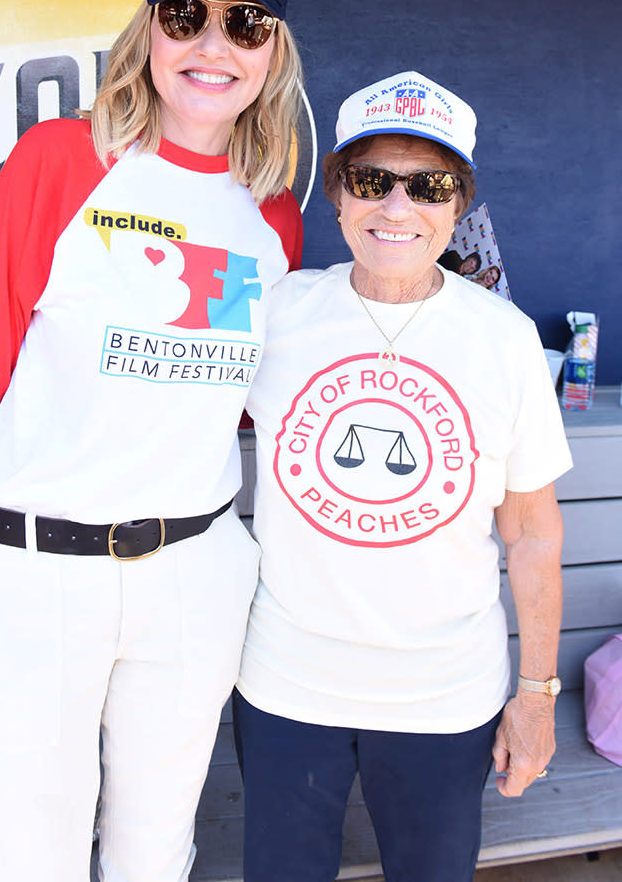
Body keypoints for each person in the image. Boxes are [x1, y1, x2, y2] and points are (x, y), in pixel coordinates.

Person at [0, 0, 303, 882]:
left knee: (156, 848)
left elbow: (243, 402)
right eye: (185, 13)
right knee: (34, 856)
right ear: (148, 28)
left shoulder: (272, 212)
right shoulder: (60, 161)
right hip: (31, 577)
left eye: (244, 22)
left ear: (273, 47)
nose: (212, 44)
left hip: (193, 577)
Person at [233, 70, 572, 882]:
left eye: (429, 185)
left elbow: (530, 533)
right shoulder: (274, 313)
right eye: (372, 180)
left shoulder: (503, 339)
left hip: (443, 698)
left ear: (459, 205)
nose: (397, 207)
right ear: (337, 196)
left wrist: (535, 698)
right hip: (286, 687)